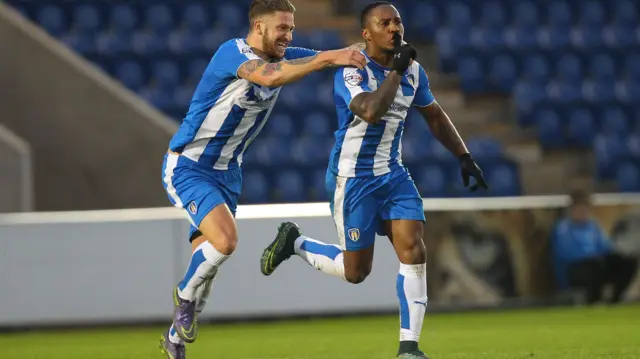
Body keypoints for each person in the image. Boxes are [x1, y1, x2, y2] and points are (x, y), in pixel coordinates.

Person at [258, 2, 488, 358]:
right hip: (353, 180)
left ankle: (409, 347)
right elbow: (369, 111)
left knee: (413, 248)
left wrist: (464, 155)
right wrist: (395, 71)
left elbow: (435, 115)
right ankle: (295, 243)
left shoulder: (413, 71)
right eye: (386, 23)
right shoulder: (353, 69)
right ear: (368, 34)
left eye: (398, 21)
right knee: (356, 272)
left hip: (393, 174)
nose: (395, 28)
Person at [158, 0, 367, 357]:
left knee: (207, 268)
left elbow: (334, 55)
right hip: (190, 166)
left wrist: (372, 49)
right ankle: (183, 296)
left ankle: (174, 342)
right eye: (281, 28)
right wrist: (325, 59)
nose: (288, 35)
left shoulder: (283, 54)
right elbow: (270, 76)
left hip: (228, 174)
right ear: (258, 28)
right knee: (225, 243)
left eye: (291, 29)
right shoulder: (232, 52)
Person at [551, 190, 638, 304]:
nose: (582, 212)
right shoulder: (563, 228)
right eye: (578, 209)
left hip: (597, 263)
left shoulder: (593, 226)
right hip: (575, 269)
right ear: (571, 210)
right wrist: (593, 256)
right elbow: (567, 254)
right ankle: (593, 300)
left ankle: (615, 299)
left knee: (626, 262)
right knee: (595, 266)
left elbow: (606, 247)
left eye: (584, 209)